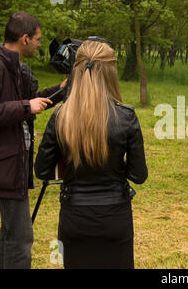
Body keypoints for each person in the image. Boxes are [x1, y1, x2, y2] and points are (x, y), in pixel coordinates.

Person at [35, 40, 148, 268]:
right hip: (114, 215)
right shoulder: (125, 116)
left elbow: (42, 170)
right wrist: (113, 166)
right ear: (111, 72)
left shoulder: (60, 116)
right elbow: (138, 175)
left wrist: (72, 163)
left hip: (74, 216)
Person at [0, 11, 66, 269]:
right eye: (39, 39)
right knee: (21, 237)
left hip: (15, 162)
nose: (41, 44)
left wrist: (63, 90)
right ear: (25, 38)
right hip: (4, 163)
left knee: (10, 233)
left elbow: (33, 99)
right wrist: (25, 107)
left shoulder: (17, 67)